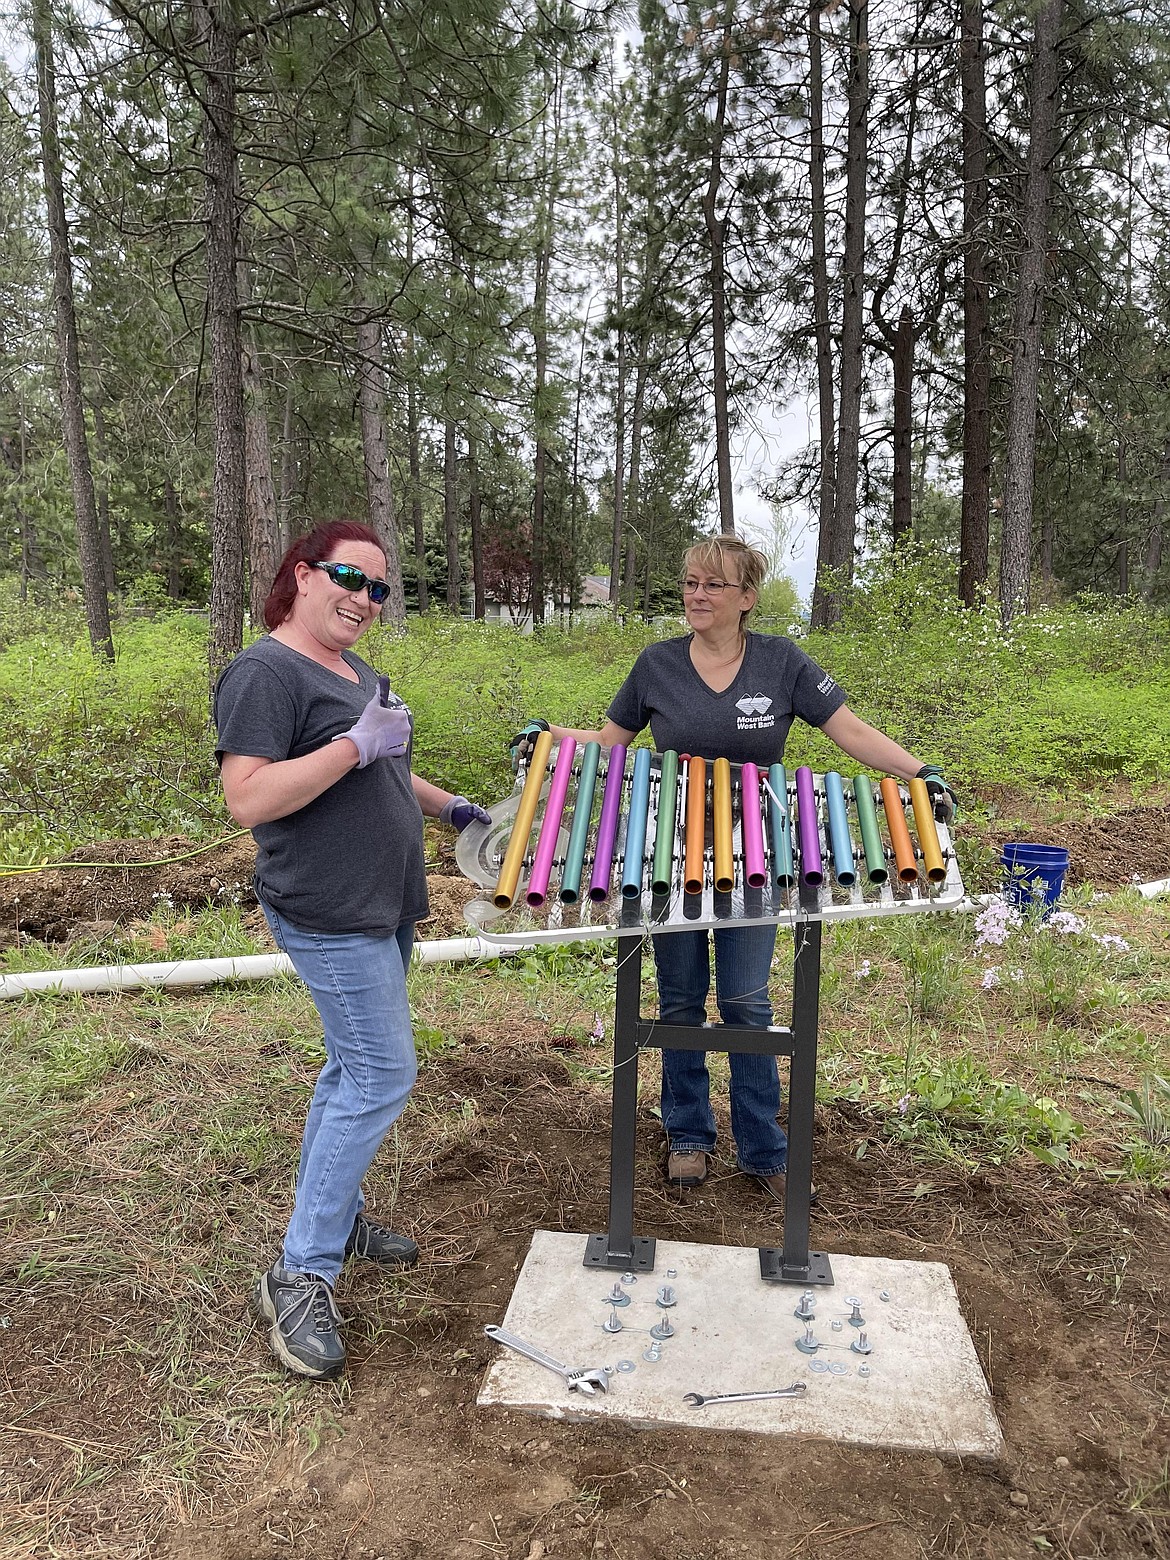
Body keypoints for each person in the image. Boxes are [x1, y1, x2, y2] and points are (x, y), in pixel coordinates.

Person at [511, 535, 955, 1204]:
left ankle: (762, 1147)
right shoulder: (656, 665)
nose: (696, 595)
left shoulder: (780, 663)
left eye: (713, 585)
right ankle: (688, 1136)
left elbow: (851, 731)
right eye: (690, 583)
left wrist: (921, 774)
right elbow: (608, 745)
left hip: (754, 853)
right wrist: (550, 741)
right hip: (666, 851)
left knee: (747, 1001)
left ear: (746, 599)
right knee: (682, 998)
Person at [215, 520, 490, 1379]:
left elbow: (382, 767)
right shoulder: (264, 671)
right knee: (381, 1074)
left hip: (385, 905)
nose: (364, 599)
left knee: (348, 1070)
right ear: (301, 575)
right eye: (348, 578)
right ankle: (301, 1271)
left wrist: (450, 809)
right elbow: (249, 798)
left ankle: (332, 1215)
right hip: (330, 911)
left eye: (378, 588)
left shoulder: (355, 670)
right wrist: (350, 743)